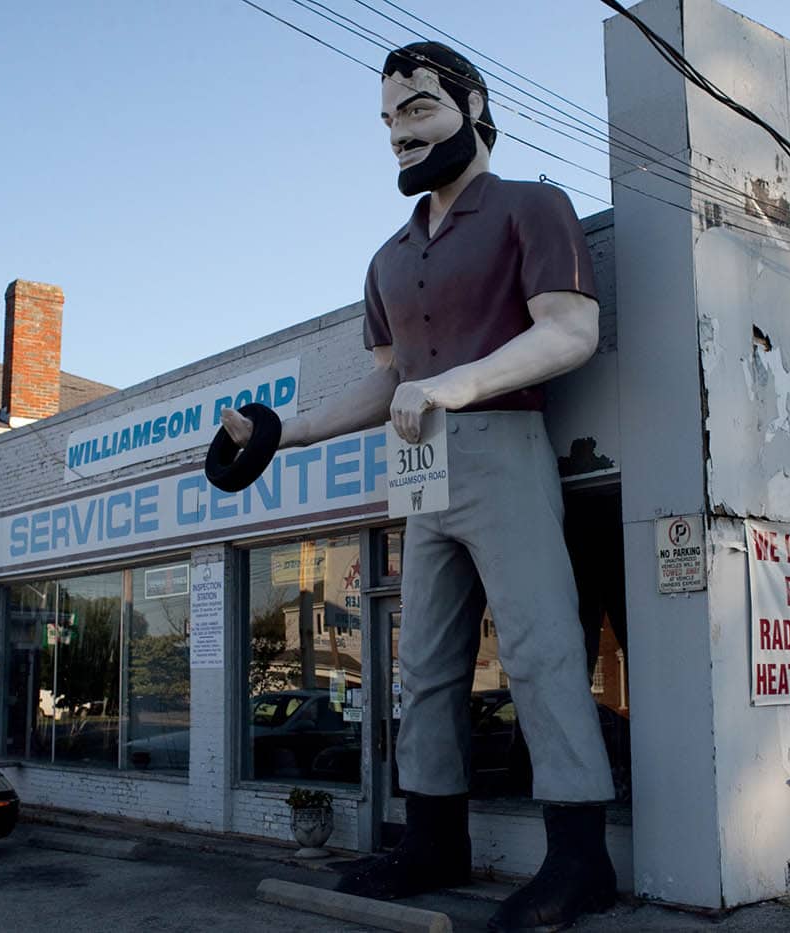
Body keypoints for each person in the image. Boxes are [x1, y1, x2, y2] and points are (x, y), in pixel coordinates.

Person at [221, 41, 616, 931]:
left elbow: (570, 331)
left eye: (419, 110)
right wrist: (284, 430)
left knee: (542, 649)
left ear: (473, 107)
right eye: (389, 120)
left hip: (505, 445)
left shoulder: (532, 206)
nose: (400, 133)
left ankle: (579, 857)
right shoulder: (387, 258)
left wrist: (453, 385)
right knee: (422, 666)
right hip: (421, 469)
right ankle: (434, 838)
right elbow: (385, 377)